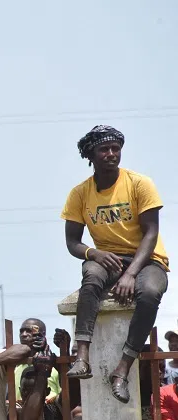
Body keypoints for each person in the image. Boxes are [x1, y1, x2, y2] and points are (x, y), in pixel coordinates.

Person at [62, 125, 169, 404]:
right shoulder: (80, 193)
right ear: (92, 156)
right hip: (107, 258)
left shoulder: (139, 183)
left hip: (146, 259)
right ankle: (82, 357)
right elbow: (73, 242)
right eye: (104, 149)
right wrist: (94, 254)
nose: (111, 154)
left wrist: (131, 273)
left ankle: (122, 368)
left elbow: (151, 233)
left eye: (115, 149)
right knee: (92, 277)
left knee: (149, 293)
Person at [13, 319, 62, 404]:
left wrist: (53, 398)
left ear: (42, 334)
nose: (23, 335)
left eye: (29, 331)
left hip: (48, 413)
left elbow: (64, 395)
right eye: (21, 331)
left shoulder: (54, 368)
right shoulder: (16, 367)